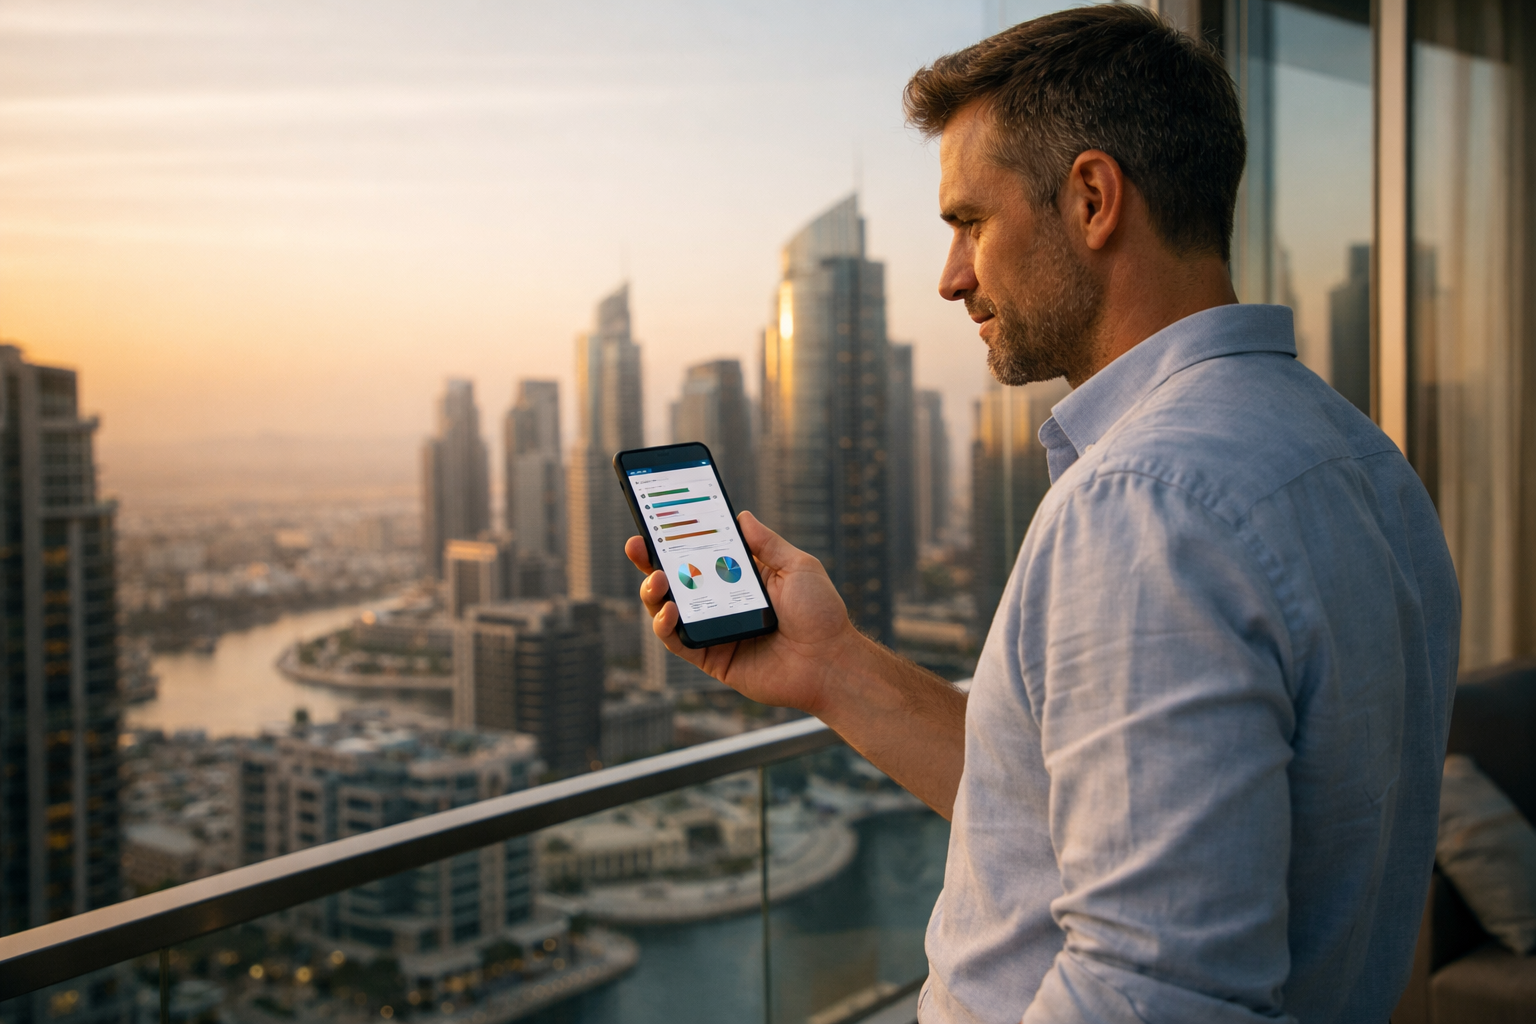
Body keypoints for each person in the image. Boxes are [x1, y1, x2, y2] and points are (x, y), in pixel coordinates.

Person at [626, 6, 1459, 1022]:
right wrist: (831, 666)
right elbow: (1084, 814)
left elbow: (1155, 993)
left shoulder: (1145, 508)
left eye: (970, 221)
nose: (951, 277)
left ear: (1094, 198)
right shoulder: (1364, 463)